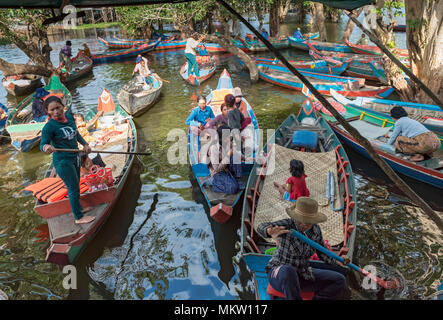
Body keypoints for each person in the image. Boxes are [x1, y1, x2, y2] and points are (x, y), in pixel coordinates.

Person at [257, 197, 350, 300]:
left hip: (303, 273)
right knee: (288, 271)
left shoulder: (315, 230)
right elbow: (261, 226)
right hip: (279, 274)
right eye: (300, 221)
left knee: (339, 280)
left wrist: (338, 261)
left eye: (308, 222)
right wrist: (269, 231)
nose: (303, 225)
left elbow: (322, 252)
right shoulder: (288, 225)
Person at [40, 96, 95, 225]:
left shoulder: (70, 118)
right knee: (72, 188)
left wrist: (85, 144)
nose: (56, 112)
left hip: (75, 157)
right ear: (48, 112)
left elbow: (76, 134)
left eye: (58, 108)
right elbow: (43, 144)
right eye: (52, 110)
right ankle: (78, 217)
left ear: (62, 106)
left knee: (76, 185)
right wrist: (46, 147)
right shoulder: (49, 127)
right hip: (63, 161)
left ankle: (78, 209)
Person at [203, 125, 243, 194]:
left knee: (236, 156)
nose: (230, 137)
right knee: (233, 189)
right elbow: (216, 169)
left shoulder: (228, 143)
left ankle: (237, 179)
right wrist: (228, 156)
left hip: (226, 168)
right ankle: (213, 182)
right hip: (217, 172)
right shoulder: (214, 148)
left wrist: (249, 158)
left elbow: (237, 153)